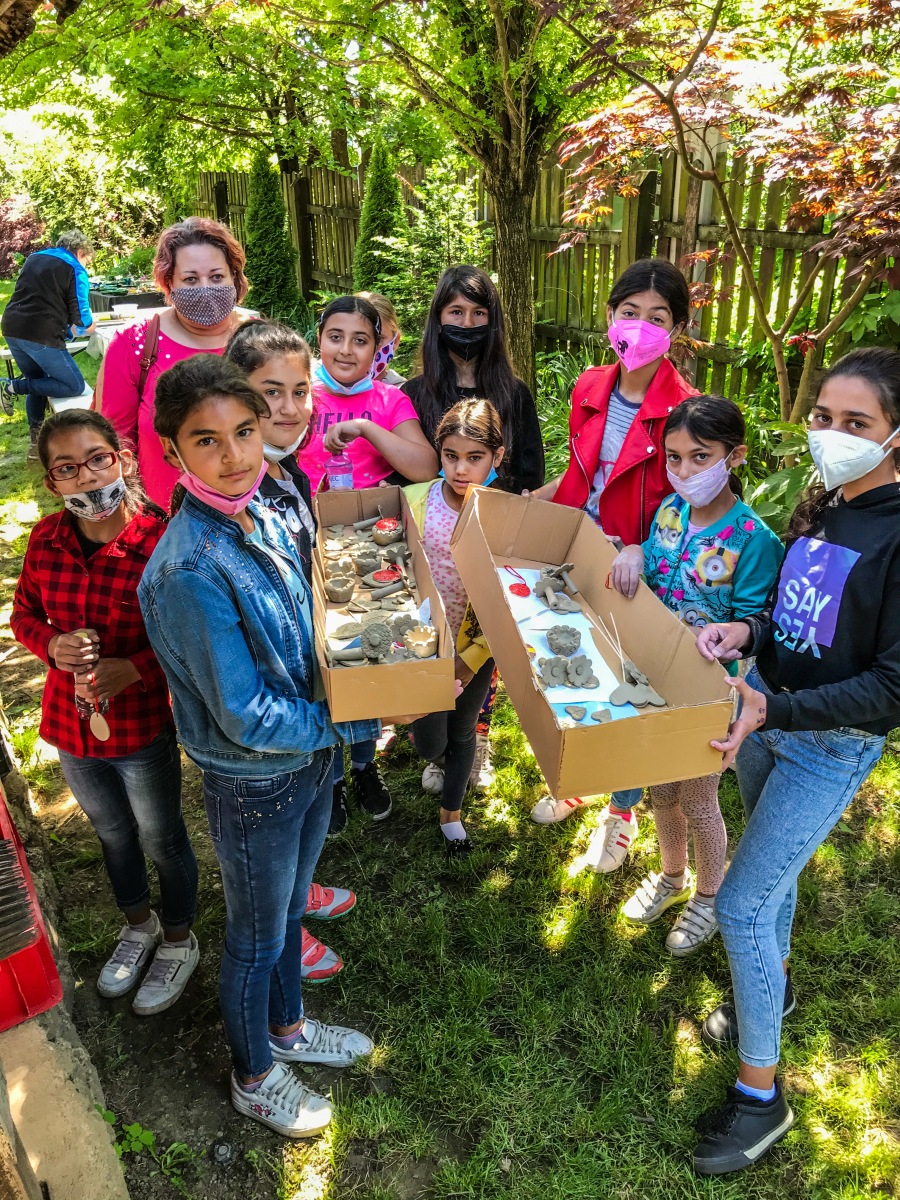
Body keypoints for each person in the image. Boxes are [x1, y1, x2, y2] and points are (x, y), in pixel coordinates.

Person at [138, 354, 377, 1137]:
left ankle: (289, 1028)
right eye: (206, 441)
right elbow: (243, 715)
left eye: (244, 431)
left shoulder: (263, 507)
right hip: (256, 779)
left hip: (309, 759)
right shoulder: (188, 568)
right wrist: (351, 723)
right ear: (172, 450)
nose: (235, 455)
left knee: (287, 915)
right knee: (256, 935)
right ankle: (254, 1074)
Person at [689, 346, 900, 1175]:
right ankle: (772, 990)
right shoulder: (826, 503)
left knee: (742, 903)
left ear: (895, 434)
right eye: (823, 416)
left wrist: (775, 710)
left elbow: (890, 686)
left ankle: (761, 1099)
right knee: (774, 884)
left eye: (857, 422)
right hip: (763, 716)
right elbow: (793, 618)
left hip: (826, 744)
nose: (832, 433)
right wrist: (745, 634)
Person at [11, 410, 199, 1014]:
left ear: (121, 458)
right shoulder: (45, 541)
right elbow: (23, 614)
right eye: (67, 469)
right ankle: (138, 925)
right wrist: (51, 645)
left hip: (140, 729)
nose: (88, 478)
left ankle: (178, 938)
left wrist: (136, 669)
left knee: (160, 835)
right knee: (112, 833)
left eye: (97, 459)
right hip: (71, 727)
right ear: (51, 482)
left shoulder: (161, 540)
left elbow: (190, 636)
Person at [529, 257, 698, 866]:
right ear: (610, 316)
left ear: (677, 329)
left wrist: (640, 548)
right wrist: (539, 500)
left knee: (629, 683)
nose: (642, 327)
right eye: (631, 312)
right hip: (577, 550)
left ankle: (621, 811)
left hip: (637, 566)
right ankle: (583, 775)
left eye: (658, 317)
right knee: (576, 666)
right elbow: (585, 473)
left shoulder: (685, 410)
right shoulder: (589, 387)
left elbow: (693, 507)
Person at [607, 396, 783, 953]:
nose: (683, 471)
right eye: (674, 457)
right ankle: (672, 876)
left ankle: (709, 896)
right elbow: (654, 567)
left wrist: (729, 634)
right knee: (662, 791)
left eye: (700, 457)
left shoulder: (753, 539)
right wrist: (633, 551)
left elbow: (755, 624)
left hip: (710, 690)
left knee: (698, 800)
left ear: (735, 456)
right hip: (652, 679)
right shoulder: (669, 510)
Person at [224, 319, 358, 980]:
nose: (288, 408)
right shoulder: (239, 498)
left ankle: (299, 893)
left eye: (300, 391)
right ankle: (282, 926)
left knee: (315, 807)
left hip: (312, 690)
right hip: (273, 720)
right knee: (275, 842)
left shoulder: (289, 474)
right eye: (269, 392)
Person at [403, 266, 545, 792]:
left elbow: (530, 472)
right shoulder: (416, 392)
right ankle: (435, 735)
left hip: (490, 542)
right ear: (437, 318)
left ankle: (473, 736)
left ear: (493, 321)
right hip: (433, 548)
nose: (466, 323)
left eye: (478, 313)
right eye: (456, 311)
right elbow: (406, 477)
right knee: (436, 652)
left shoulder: (514, 393)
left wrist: (505, 516)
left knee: (481, 650)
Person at [405, 399, 503, 855]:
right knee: (430, 742)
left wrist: (470, 661)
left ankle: (451, 814)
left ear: (497, 456)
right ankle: (439, 761)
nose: (461, 469)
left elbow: (503, 599)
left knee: (464, 730)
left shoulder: (502, 515)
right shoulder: (417, 500)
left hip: (477, 646)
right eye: (451, 456)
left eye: (475, 457)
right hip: (422, 643)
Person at [99, 217, 250, 509]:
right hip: (162, 519)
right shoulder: (135, 343)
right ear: (169, 282)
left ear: (235, 276)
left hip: (251, 517)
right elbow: (113, 442)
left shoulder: (257, 341)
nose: (205, 288)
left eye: (217, 277)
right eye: (191, 279)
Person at [299, 294, 437, 493]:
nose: (346, 350)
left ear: (376, 348)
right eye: (335, 337)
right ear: (320, 339)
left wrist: (365, 428)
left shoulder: (391, 400)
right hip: (308, 511)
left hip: (376, 512)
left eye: (360, 341)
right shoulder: (302, 398)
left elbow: (427, 469)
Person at [1, 229, 97, 461]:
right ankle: (11, 386)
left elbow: (40, 298)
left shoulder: (34, 258)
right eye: (87, 260)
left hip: (12, 327)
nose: (85, 264)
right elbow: (83, 319)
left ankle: (36, 445)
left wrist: (67, 329)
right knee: (74, 385)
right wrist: (89, 327)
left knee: (38, 382)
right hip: (40, 332)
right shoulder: (74, 268)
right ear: (80, 252)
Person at [355, 291, 406, 385]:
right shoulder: (326, 387)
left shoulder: (403, 391)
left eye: (378, 339)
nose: (369, 349)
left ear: (395, 341)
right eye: (359, 339)